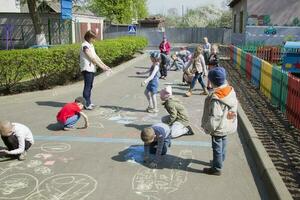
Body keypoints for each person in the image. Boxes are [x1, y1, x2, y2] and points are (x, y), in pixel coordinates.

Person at [201, 67, 238, 175]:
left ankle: (217, 168)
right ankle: (220, 160)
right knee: (223, 142)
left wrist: (208, 128)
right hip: (227, 124)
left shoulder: (217, 98)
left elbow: (215, 117)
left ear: (213, 82)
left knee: (216, 146)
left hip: (218, 127)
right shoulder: (230, 90)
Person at [80, 30, 112, 110]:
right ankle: (86, 104)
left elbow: (96, 57)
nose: (94, 40)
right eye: (93, 38)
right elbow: (92, 58)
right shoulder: (85, 45)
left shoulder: (91, 45)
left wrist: (105, 65)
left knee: (90, 86)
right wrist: (102, 67)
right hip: (87, 69)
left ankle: (89, 102)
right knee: (87, 87)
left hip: (91, 69)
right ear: (89, 37)